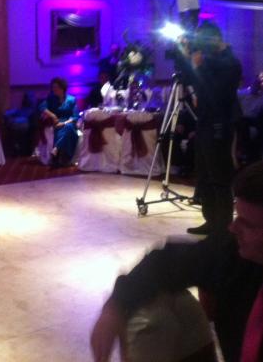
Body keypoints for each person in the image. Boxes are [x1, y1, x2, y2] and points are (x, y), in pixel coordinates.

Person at [90, 160, 263, 362]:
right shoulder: (234, 251)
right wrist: (114, 307)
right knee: (158, 308)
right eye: (237, 216)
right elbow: (165, 262)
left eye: (248, 224)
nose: (233, 228)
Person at [176, 21, 242, 235]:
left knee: (219, 176)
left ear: (215, 39)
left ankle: (222, 226)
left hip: (220, 123)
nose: (201, 47)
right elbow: (189, 79)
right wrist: (185, 56)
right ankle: (210, 220)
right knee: (204, 174)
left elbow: (216, 92)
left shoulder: (230, 62)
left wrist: (197, 64)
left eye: (203, 41)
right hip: (204, 120)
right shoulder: (207, 60)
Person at [39, 77, 79, 167]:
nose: (54, 90)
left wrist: (64, 123)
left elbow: (75, 116)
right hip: (56, 122)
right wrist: (52, 115)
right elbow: (41, 107)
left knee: (68, 128)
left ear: (62, 88)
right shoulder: (51, 98)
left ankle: (56, 149)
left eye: (56, 87)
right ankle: (63, 158)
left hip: (68, 121)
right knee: (65, 131)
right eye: (53, 88)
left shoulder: (71, 99)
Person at [237, 71, 263, 165]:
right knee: (242, 123)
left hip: (255, 123)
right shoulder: (244, 93)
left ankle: (249, 158)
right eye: (260, 79)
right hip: (242, 122)